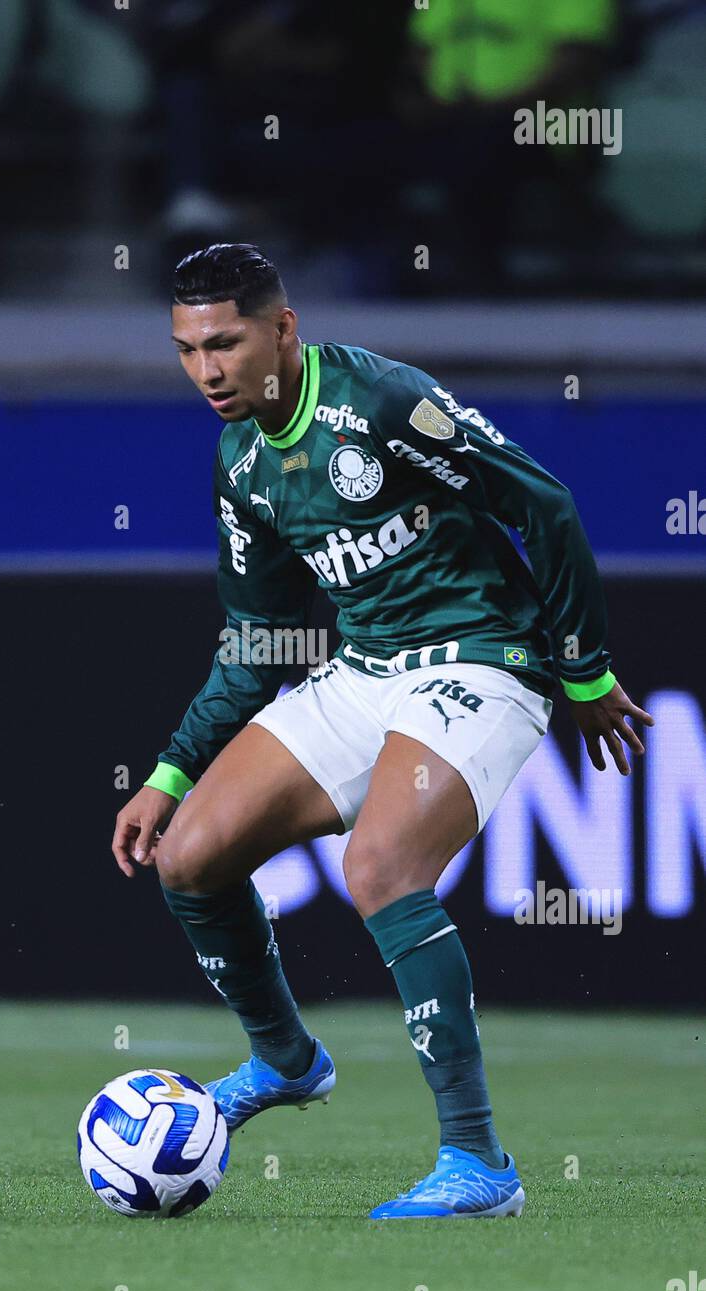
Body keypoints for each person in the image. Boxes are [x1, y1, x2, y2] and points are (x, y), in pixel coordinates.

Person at [112, 243, 653, 1220]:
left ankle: (478, 1162)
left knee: (379, 871)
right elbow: (257, 639)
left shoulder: (381, 404)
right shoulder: (240, 465)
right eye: (187, 349)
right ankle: (284, 1059)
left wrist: (583, 666)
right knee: (187, 855)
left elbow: (542, 501)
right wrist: (171, 766)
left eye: (225, 342)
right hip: (362, 670)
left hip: (481, 657)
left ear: (282, 329)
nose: (207, 369)